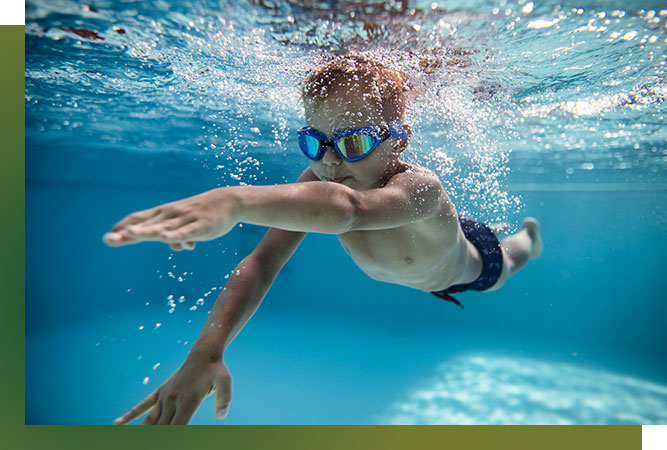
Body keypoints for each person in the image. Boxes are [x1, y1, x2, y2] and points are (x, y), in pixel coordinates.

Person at [104, 55, 542, 425]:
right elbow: (260, 263)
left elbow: (351, 210)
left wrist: (234, 202)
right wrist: (208, 349)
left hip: (468, 264)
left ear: (400, 140)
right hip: (421, 245)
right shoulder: (320, 179)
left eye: (353, 142)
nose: (330, 161)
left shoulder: (421, 187)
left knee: (508, 261)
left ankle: (528, 237)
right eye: (316, 143)